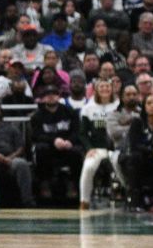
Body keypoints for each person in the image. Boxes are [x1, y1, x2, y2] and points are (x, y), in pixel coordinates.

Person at [27, 81, 83, 205]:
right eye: (47, 94)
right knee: (41, 149)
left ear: (59, 96)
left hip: (67, 145)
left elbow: (77, 131)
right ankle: (44, 184)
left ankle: (73, 184)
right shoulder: (37, 116)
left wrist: (69, 141)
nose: (51, 96)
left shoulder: (70, 112)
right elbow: (36, 135)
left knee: (77, 151)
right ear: (42, 98)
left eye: (54, 94)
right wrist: (53, 141)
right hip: (49, 147)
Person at [77, 76, 121, 210]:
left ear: (112, 88)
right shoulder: (88, 108)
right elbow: (82, 133)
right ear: (96, 89)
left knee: (120, 166)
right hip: (97, 148)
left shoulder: (119, 105)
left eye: (107, 86)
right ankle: (84, 201)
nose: (105, 88)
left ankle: (127, 195)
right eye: (101, 86)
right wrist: (89, 148)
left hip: (117, 148)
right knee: (89, 167)